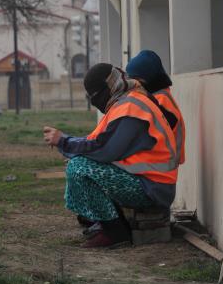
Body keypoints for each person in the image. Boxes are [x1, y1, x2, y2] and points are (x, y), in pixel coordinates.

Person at [43, 63, 179, 249]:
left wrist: (63, 142)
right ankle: (102, 222)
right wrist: (67, 144)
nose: (94, 101)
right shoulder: (122, 103)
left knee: (80, 168)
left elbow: (105, 149)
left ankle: (115, 232)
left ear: (109, 86)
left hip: (153, 188)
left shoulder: (131, 107)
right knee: (78, 163)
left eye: (95, 96)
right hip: (145, 182)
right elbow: (94, 142)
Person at [126, 50, 185, 166]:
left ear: (147, 79)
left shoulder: (160, 100)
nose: (133, 85)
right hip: (159, 164)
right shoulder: (156, 96)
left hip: (161, 166)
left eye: (136, 81)